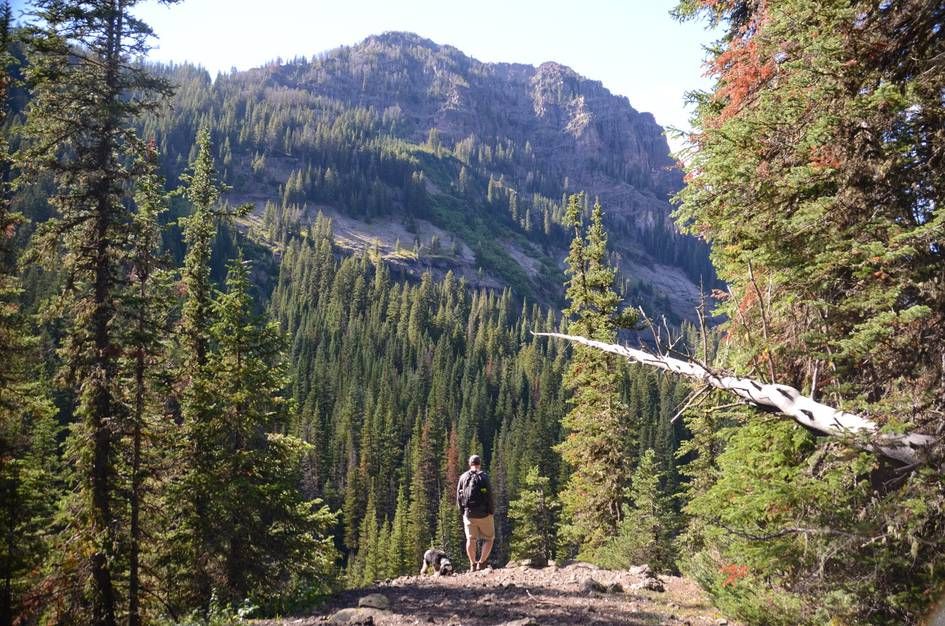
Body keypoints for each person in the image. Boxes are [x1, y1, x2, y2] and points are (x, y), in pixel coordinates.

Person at [456, 454, 495, 571]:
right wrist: (491, 511)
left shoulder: (463, 477)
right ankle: (482, 563)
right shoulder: (484, 476)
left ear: (470, 464)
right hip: (484, 514)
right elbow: (489, 496)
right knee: (489, 538)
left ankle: (472, 563)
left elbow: (458, 496)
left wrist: (463, 512)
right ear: (479, 464)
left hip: (469, 514)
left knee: (471, 539)